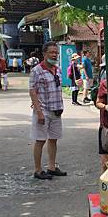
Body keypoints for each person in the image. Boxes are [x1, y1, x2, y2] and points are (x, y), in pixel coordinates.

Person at [29, 41, 67, 180]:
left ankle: (51, 167)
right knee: (40, 140)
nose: (54, 55)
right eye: (51, 52)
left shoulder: (58, 69)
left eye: (56, 52)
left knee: (53, 140)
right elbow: (32, 91)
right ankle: (38, 170)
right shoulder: (36, 71)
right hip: (43, 111)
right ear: (44, 54)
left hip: (57, 111)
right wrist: (39, 112)